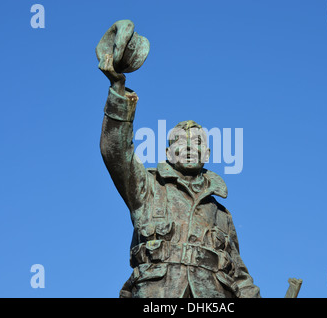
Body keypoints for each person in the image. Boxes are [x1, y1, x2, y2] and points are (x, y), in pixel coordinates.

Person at [97, 20, 261, 298]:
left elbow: (240, 276)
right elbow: (115, 151)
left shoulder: (221, 215)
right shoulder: (148, 189)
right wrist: (118, 89)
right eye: (179, 142)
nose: (189, 147)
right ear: (166, 153)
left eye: (197, 142)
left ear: (207, 154)